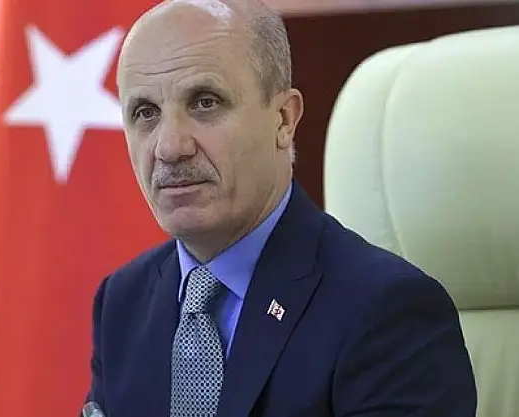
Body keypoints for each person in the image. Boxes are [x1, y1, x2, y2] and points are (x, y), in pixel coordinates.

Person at [84, 0, 477, 416]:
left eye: (205, 102)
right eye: (145, 113)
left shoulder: (387, 310)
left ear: (284, 120)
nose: (170, 147)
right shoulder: (122, 303)